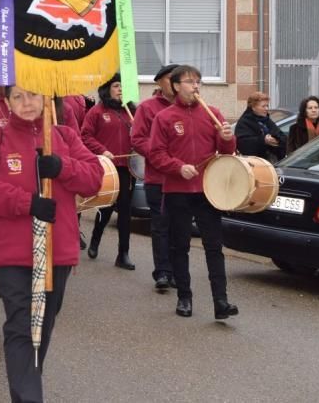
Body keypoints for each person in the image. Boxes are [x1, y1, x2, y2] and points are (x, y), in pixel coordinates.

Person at [0, 84, 102, 403]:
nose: (27, 103)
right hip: (12, 254)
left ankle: (27, 387)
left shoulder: (65, 136)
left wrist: (61, 167)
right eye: (18, 97)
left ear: (45, 99)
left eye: (33, 96)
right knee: (23, 327)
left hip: (59, 252)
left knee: (42, 330)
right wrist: (26, 203)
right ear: (6, 102)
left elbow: (94, 178)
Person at [149, 65, 238, 320]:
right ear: (176, 86)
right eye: (189, 81)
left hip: (208, 191)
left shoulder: (214, 113)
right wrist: (178, 167)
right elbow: (156, 154)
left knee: (214, 246)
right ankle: (184, 297)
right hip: (177, 191)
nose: (195, 86)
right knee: (180, 246)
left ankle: (221, 301)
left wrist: (227, 137)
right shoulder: (165, 117)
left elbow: (227, 150)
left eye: (198, 81)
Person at [129, 63, 178, 291]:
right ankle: (163, 272)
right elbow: (138, 139)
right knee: (160, 226)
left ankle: (179, 271)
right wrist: (162, 154)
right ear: (160, 82)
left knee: (180, 228)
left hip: (184, 180)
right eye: (171, 79)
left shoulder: (192, 107)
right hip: (158, 178)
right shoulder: (147, 108)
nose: (176, 83)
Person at [81, 73, 137, 270]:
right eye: (116, 86)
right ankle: (96, 239)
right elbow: (85, 136)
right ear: (107, 89)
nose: (120, 89)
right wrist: (103, 150)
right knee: (105, 209)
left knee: (124, 211)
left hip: (126, 169)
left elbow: (140, 137)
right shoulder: (96, 112)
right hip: (106, 167)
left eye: (122, 86)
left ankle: (123, 253)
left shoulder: (131, 112)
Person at [236, 91, 286, 161]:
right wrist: (263, 140)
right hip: (254, 163)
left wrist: (276, 140)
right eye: (263, 106)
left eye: (267, 106)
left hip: (273, 161)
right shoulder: (244, 122)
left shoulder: (267, 120)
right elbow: (243, 144)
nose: (266, 109)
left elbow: (282, 136)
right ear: (253, 107)